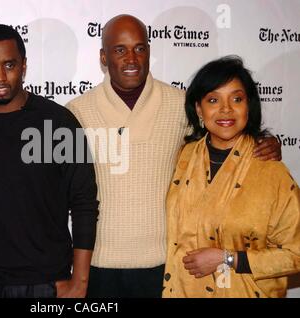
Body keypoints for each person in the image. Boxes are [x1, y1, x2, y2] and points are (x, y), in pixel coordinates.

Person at [66, 14, 282, 297]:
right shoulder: (76, 111)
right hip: (97, 268)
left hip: (168, 265)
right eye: (120, 50)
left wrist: (264, 141)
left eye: (139, 48)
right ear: (103, 58)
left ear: (149, 51)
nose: (131, 58)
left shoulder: (180, 104)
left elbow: (224, 136)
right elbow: (55, 194)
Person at [0, 24, 98, 298]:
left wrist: (79, 282)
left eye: (9, 65)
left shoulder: (58, 123)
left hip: (44, 281)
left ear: (24, 66)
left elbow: (84, 202)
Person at [162, 56, 300, 298]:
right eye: (213, 100)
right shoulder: (184, 157)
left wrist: (229, 259)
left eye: (236, 99)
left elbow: (296, 254)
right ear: (198, 109)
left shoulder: (271, 171)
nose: (226, 109)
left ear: (249, 106)